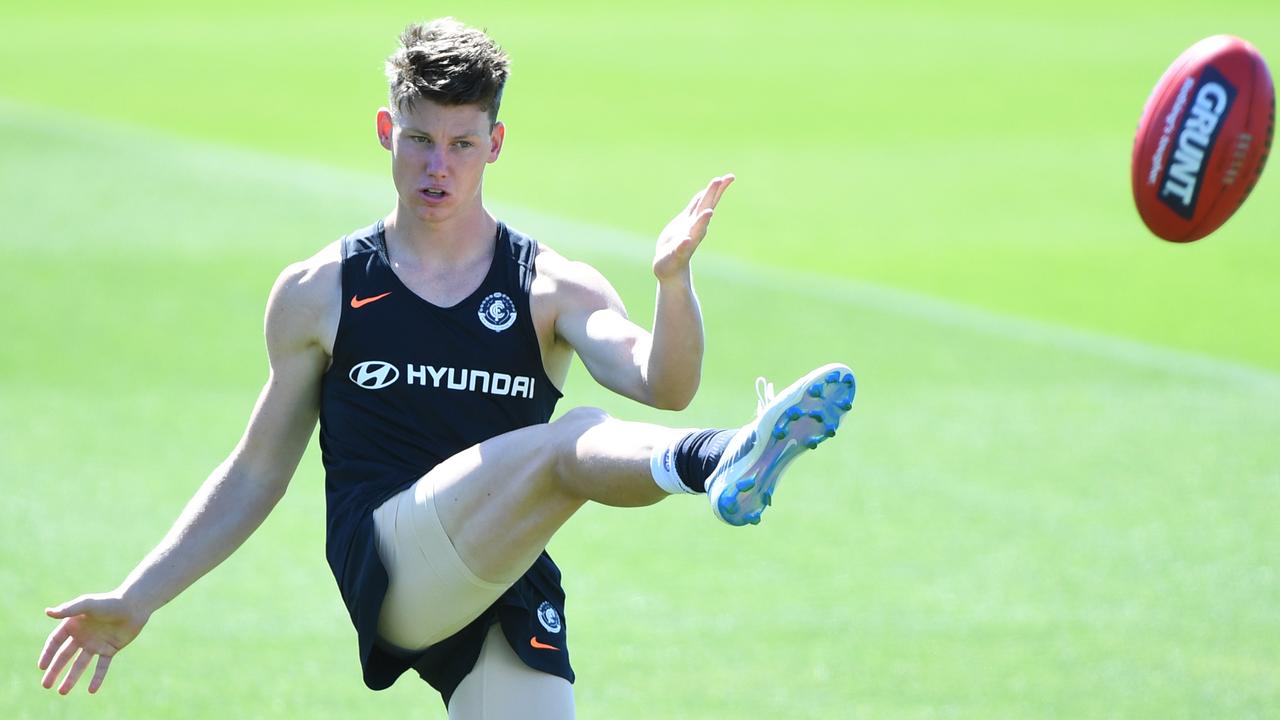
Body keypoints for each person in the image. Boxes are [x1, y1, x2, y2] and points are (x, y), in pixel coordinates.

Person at [37, 17, 855, 718]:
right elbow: (256, 472)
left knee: (564, 454)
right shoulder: (322, 291)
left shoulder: (550, 286)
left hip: (503, 571)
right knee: (568, 444)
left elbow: (664, 383)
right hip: (393, 564)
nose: (439, 167)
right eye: (421, 140)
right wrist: (137, 597)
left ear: (494, 144)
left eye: (463, 144)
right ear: (387, 130)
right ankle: (722, 458)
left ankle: (725, 459)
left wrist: (673, 284)